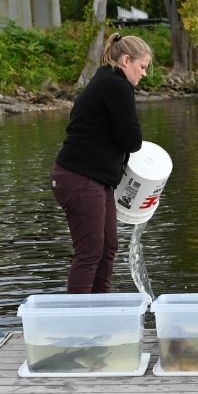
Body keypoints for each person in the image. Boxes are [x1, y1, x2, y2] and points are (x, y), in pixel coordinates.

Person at [50, 33, 150, 293]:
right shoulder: (117, 85)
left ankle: (100, 313)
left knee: (107, 249)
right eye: (142, 67)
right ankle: (77, 322)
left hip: (93, 179)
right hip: (79, 178)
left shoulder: (104, 78)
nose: (144, 74)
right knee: (90, 252)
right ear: (126, 60)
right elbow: (131, 139)